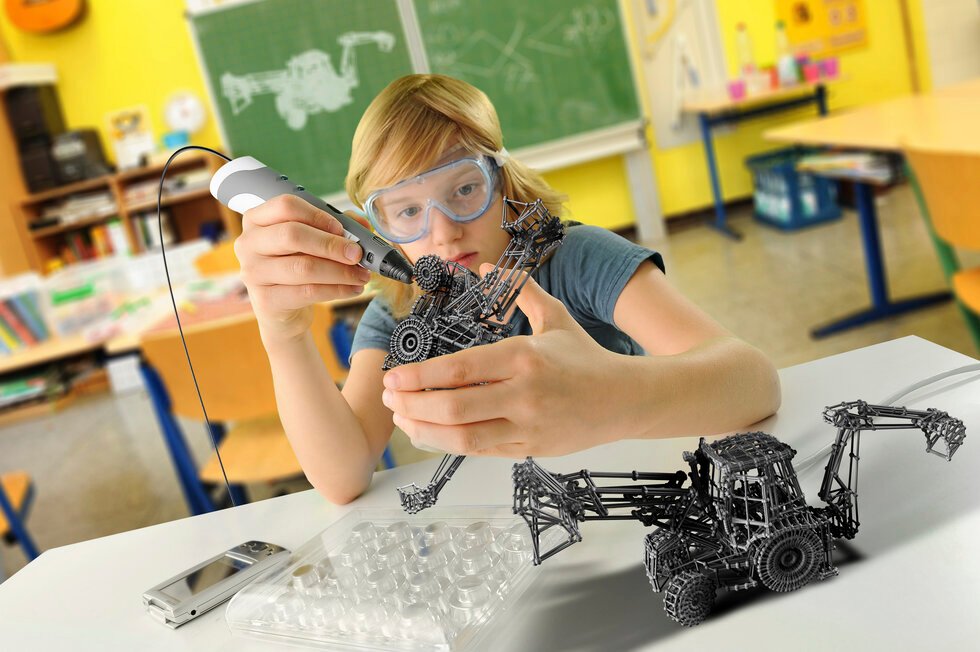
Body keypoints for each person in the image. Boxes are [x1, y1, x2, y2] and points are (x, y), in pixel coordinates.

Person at [234, 74, 781, 505]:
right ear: (377, 229)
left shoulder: (575, 260)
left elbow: (753, 383)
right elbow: (342, 476)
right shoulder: (396, 319)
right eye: (407, 211)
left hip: (629, 501)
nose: (444, 231)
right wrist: (283, 335)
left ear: (502, 182)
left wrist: (614, 399)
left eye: (464, 189)